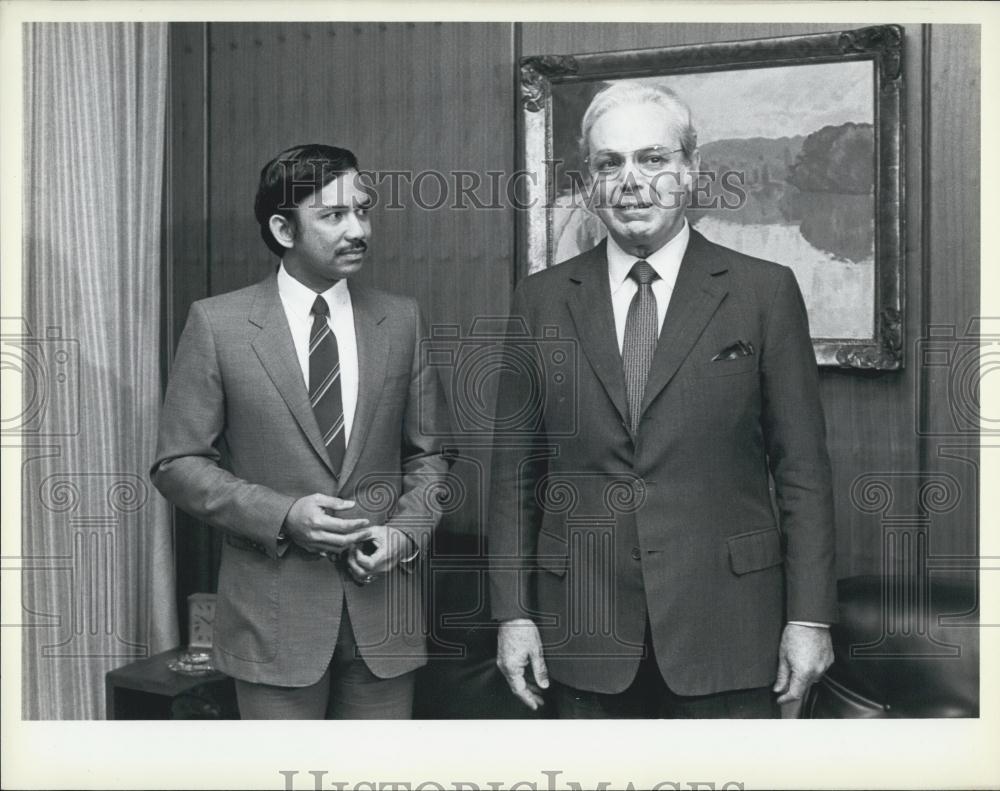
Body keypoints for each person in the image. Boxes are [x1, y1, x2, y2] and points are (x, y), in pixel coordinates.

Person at [488, 83, 835, 718]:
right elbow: (516, 475)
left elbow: (802, 472)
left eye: (652, 159)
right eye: (608, 163)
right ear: (590, 182)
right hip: (584, 630)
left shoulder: (764, 292)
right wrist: (512, 614)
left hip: (729, 627)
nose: (631, 181)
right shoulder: (539, 301)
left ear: (689, 170)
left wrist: (810, 618)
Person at [151, 144, 451, 719]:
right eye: (334, 215)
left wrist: (405, 534)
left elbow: (432, 456)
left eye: (362, 211)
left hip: (383, 621)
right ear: (284, 229)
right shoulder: (218, 324)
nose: (358, 229)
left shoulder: (402, 319)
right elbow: (177, 464)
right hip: (272, 622)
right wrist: (284, 515)